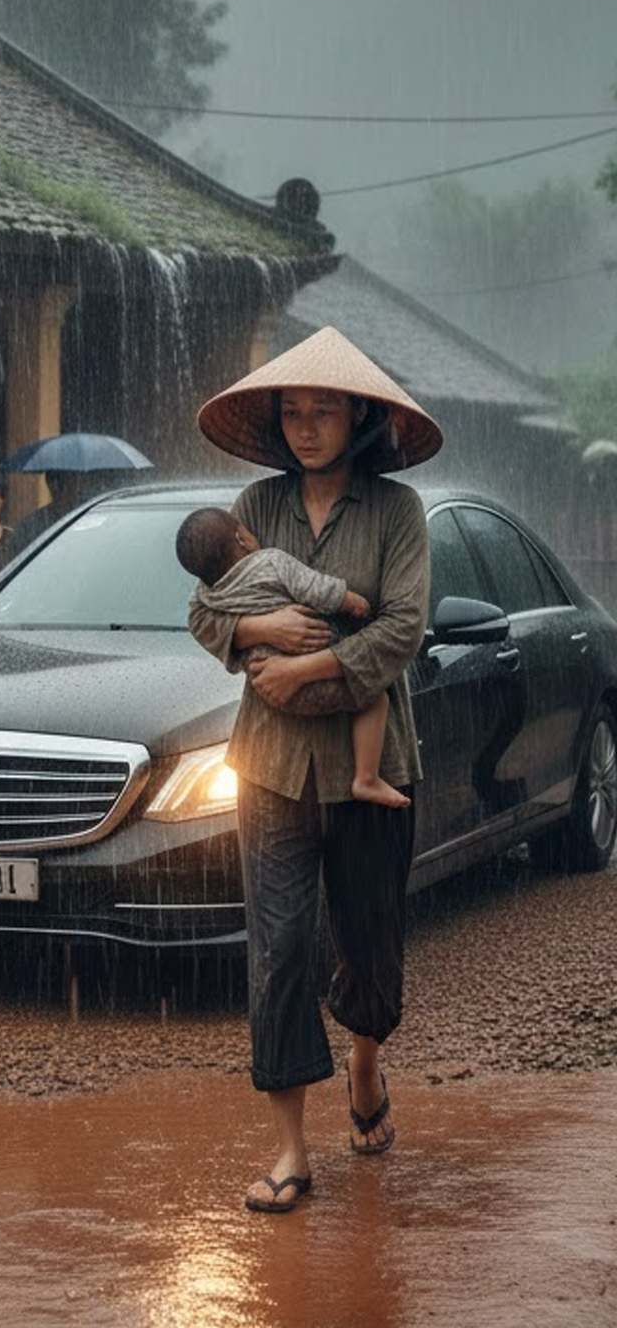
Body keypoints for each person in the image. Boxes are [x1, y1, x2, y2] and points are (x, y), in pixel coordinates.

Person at [188, 326, 440, 1215]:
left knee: (369, 944)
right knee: (280, 949)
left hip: (374, 764)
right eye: (293, 412)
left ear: (359, 418)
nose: (305, 427)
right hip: (270, 767)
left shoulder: (397, 512)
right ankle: (291, 1151)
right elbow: (206, 612)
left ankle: (365, 1065)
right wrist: (260, 631)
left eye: (322, 411)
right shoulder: (255, 503)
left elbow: (402, 627)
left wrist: (307, 669)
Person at [176, 504, 409, 810]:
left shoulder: (209, 594)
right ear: (242, 538)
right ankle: (366, 778)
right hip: (310, 681)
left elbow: (197, 617)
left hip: (270, 688)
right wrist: (353, 602)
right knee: (375, 697)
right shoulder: (271, 561)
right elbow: (317, 590)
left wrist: (267, 644)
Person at [13, 469, 90, 550]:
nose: (67, 493)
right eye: (62, 486)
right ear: (50, 486)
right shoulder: (30, 526)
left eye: (73, 486)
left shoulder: (89, 520)